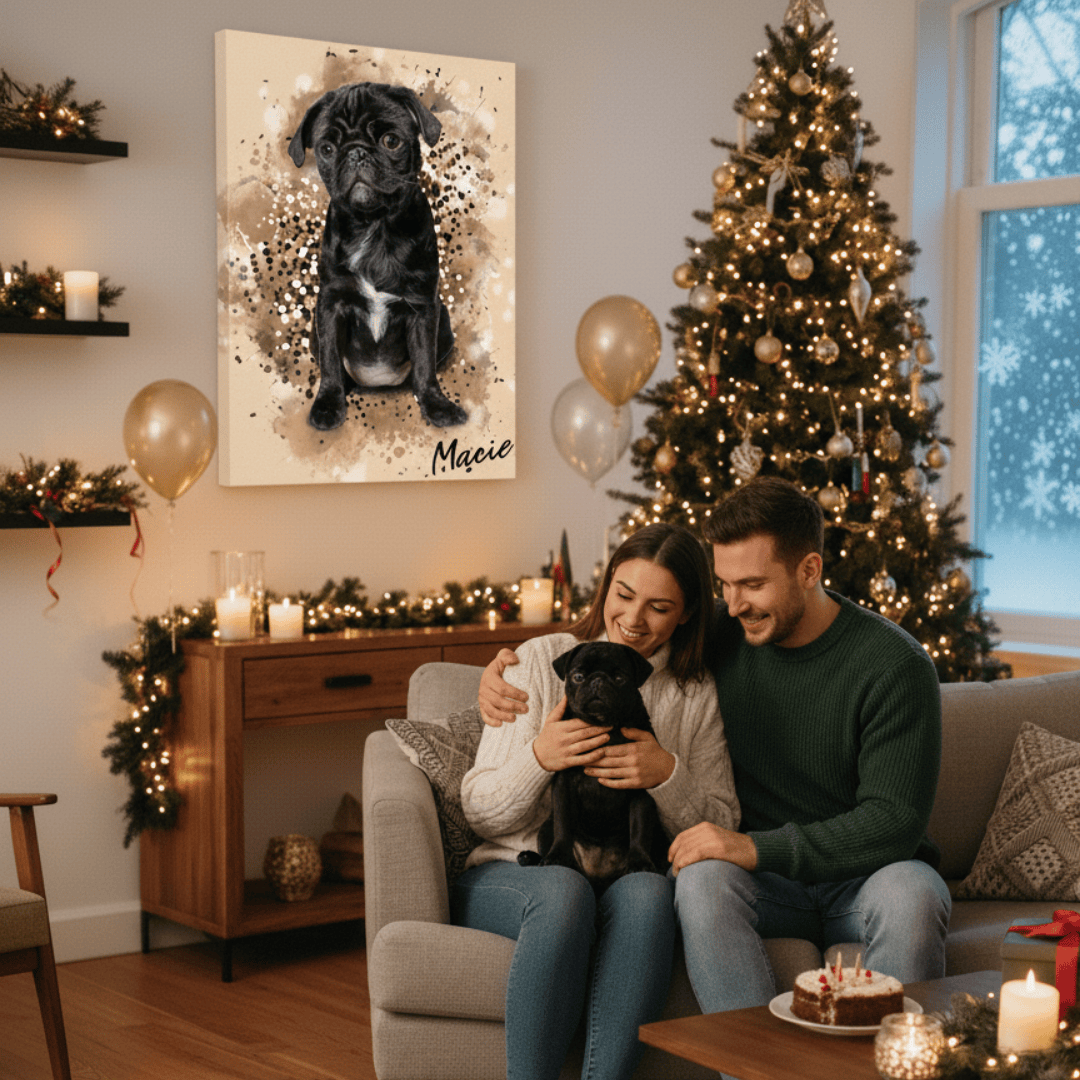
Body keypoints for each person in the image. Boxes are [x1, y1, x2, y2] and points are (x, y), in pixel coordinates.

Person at [479, 477, 951, 1020]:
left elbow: (895, 822)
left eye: (751, 584)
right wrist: (498, 671)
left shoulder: (895, 666)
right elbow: (619, 638)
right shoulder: (724, 632)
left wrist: (755, 848)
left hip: (868, 878)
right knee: (701, 880)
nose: (733, 603)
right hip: (764, 885)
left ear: (810, 570)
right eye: (723, 585)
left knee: (914, 893)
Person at [457, 522, 739, 1080]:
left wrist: (667, 774)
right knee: (562, 891)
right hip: (518, 869)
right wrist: (539, 757)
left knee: (652, 896)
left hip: (623, 866)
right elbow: (480, 810)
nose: (633, 620)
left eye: (659, 607)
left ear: (686, 614)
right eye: (624, 595)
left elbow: (725, 820)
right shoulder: (538, 662)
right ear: (605, 586)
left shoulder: (693, 688)